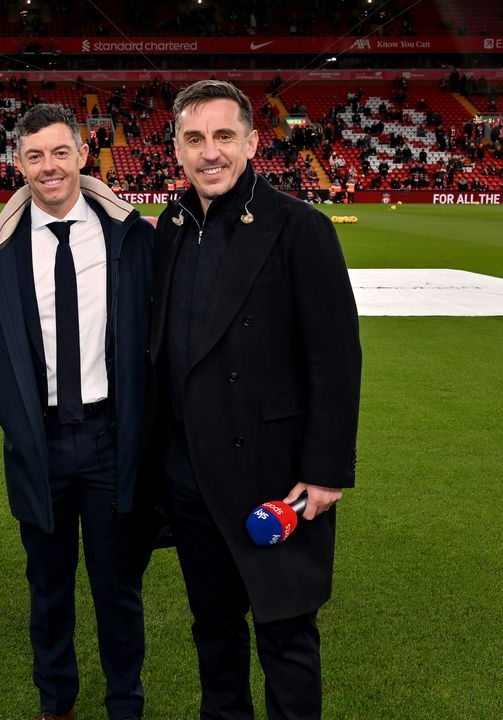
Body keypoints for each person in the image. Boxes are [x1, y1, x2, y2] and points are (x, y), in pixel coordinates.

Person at [147, 79, 361, 720]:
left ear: (252, 142)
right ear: (177, 150)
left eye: (223, 136)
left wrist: (325, 471)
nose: (209, 153)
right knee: (213, 630)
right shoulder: (172, 224)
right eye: (194, 139)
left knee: (286, 633)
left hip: (274, 472)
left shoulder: (301, 227)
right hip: (190, 474)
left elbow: (336, 356)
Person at [0, 103, 153, 720]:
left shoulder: (132, 235)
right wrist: (10, 409)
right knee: (48, 586)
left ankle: (125, 698)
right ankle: (57, 700)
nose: (49, 167)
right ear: (18, 163)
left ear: (83, 154)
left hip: (111, 438)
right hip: (37, 441)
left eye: (60, 152)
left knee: (118, 585)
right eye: (34, 155)